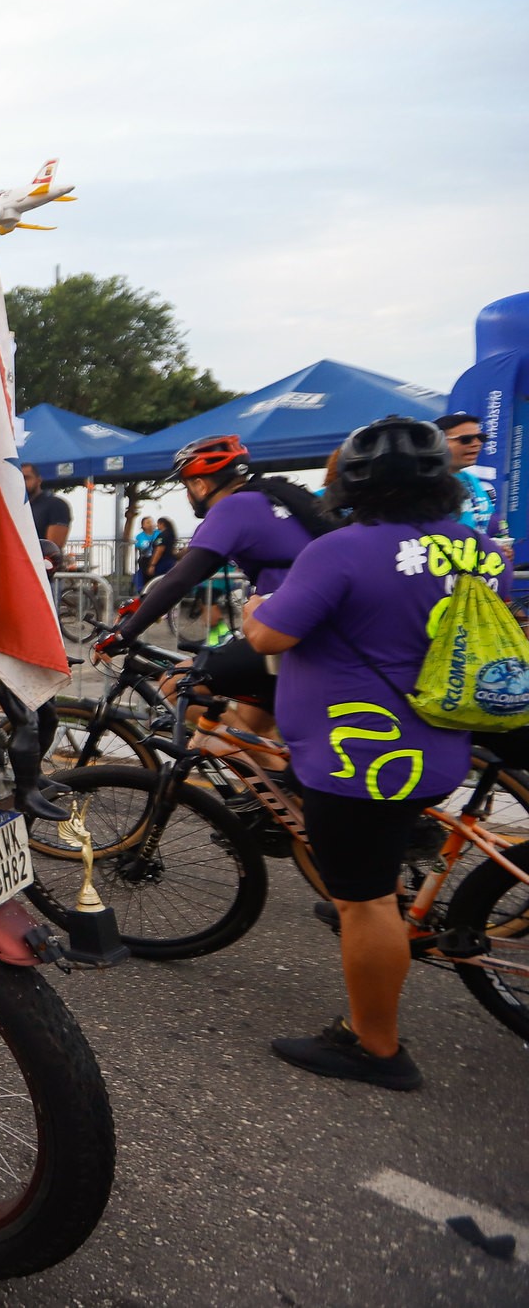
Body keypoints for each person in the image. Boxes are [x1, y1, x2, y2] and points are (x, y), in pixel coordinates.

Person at [241, 417, 509, 1091]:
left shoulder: (340, 551)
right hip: (440, 746)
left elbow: (271, 635)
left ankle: (376, 1045)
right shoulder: (476, 547)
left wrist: (252, 609)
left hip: (359, 757)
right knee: (377, 881)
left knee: (362, 901)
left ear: (352, 483)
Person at [100, 435, 337, 740]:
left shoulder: (233, 508)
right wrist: (139, 606)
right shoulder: (268, 498)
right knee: (257, 724)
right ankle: (269, 785)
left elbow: (180, 578)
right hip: (313, 630)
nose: (189, 495)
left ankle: (284, 780)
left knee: (175, 683)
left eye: (187, 487)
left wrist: (124, 634)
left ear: (200, 485)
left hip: (291, 635)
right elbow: (190, 574)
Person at [435, 411, 501, 534]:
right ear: (437, 443)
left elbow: (489, 521)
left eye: (481, 438)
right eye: (466, 440)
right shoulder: (426, 485)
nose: (477, 444)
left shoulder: (472, 479)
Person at [23, 465, 72, 571]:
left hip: (44, 571)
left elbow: (52, 548)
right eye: (19, 478)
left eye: (26, 477)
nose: (22, 482)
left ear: (39, 480)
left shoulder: (56, 504)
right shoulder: (17, 508)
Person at [130, 516, 158, 592]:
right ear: (143, 526)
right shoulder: (140, 536)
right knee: (145, 575)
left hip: (158, 558)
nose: (150, 524)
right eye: (148, 522)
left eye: (151, 522)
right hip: (146, 559)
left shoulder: (158, 533)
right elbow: (139, 545)